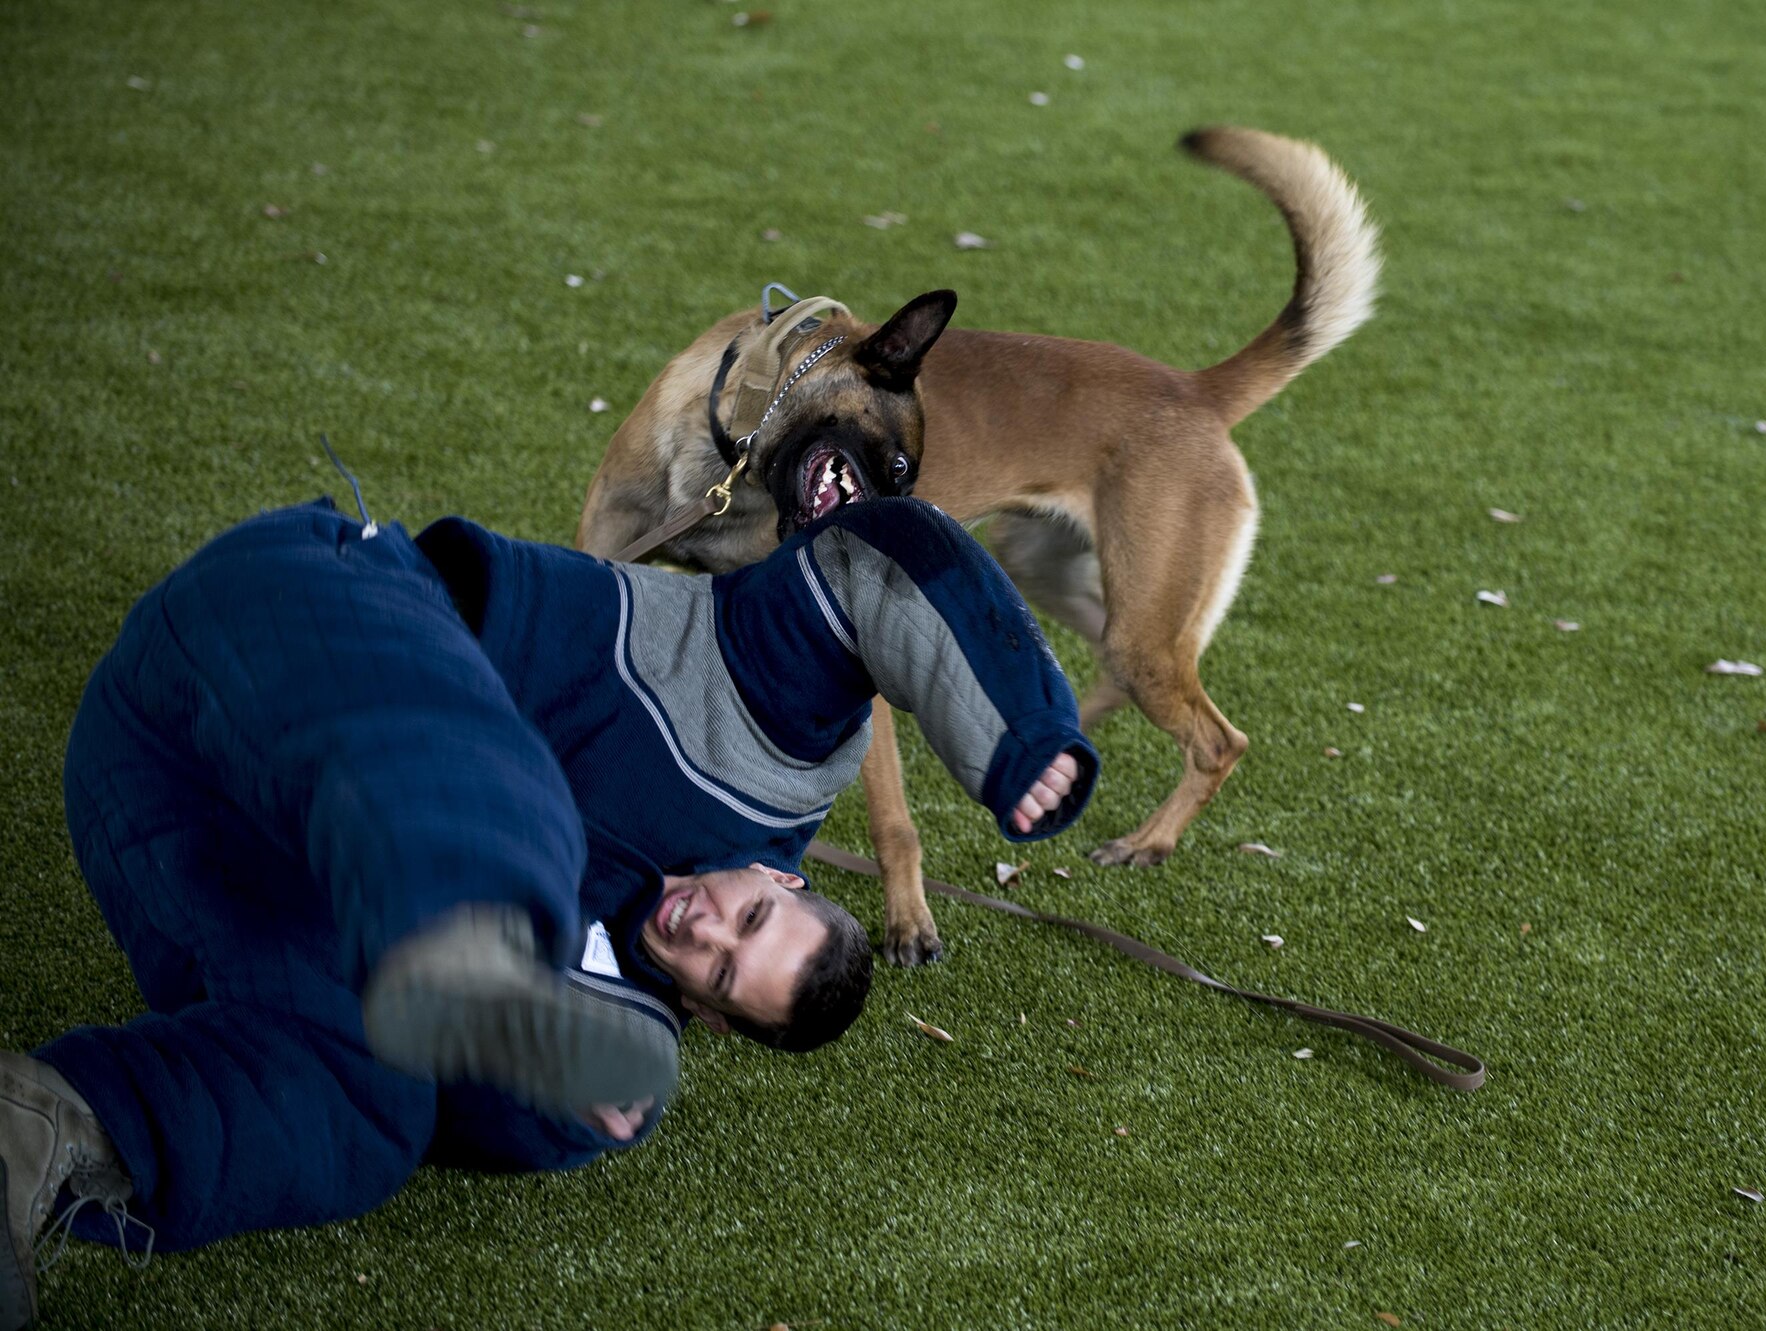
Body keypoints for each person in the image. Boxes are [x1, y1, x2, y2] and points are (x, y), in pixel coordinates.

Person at [1, 494, 1095, 1327]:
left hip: (170, 813)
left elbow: (500, 1117)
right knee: (517, 819)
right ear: (785, 877)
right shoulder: (754, 736)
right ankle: (475, 947)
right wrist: (1020, 731)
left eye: (718, 973)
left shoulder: (620, 1003)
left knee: (369, 1116)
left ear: (707, 1018)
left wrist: (580, 1101)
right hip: (300, 627)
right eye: (748, 919)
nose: (702, 930)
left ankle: (36, 1129)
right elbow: (871, 557)